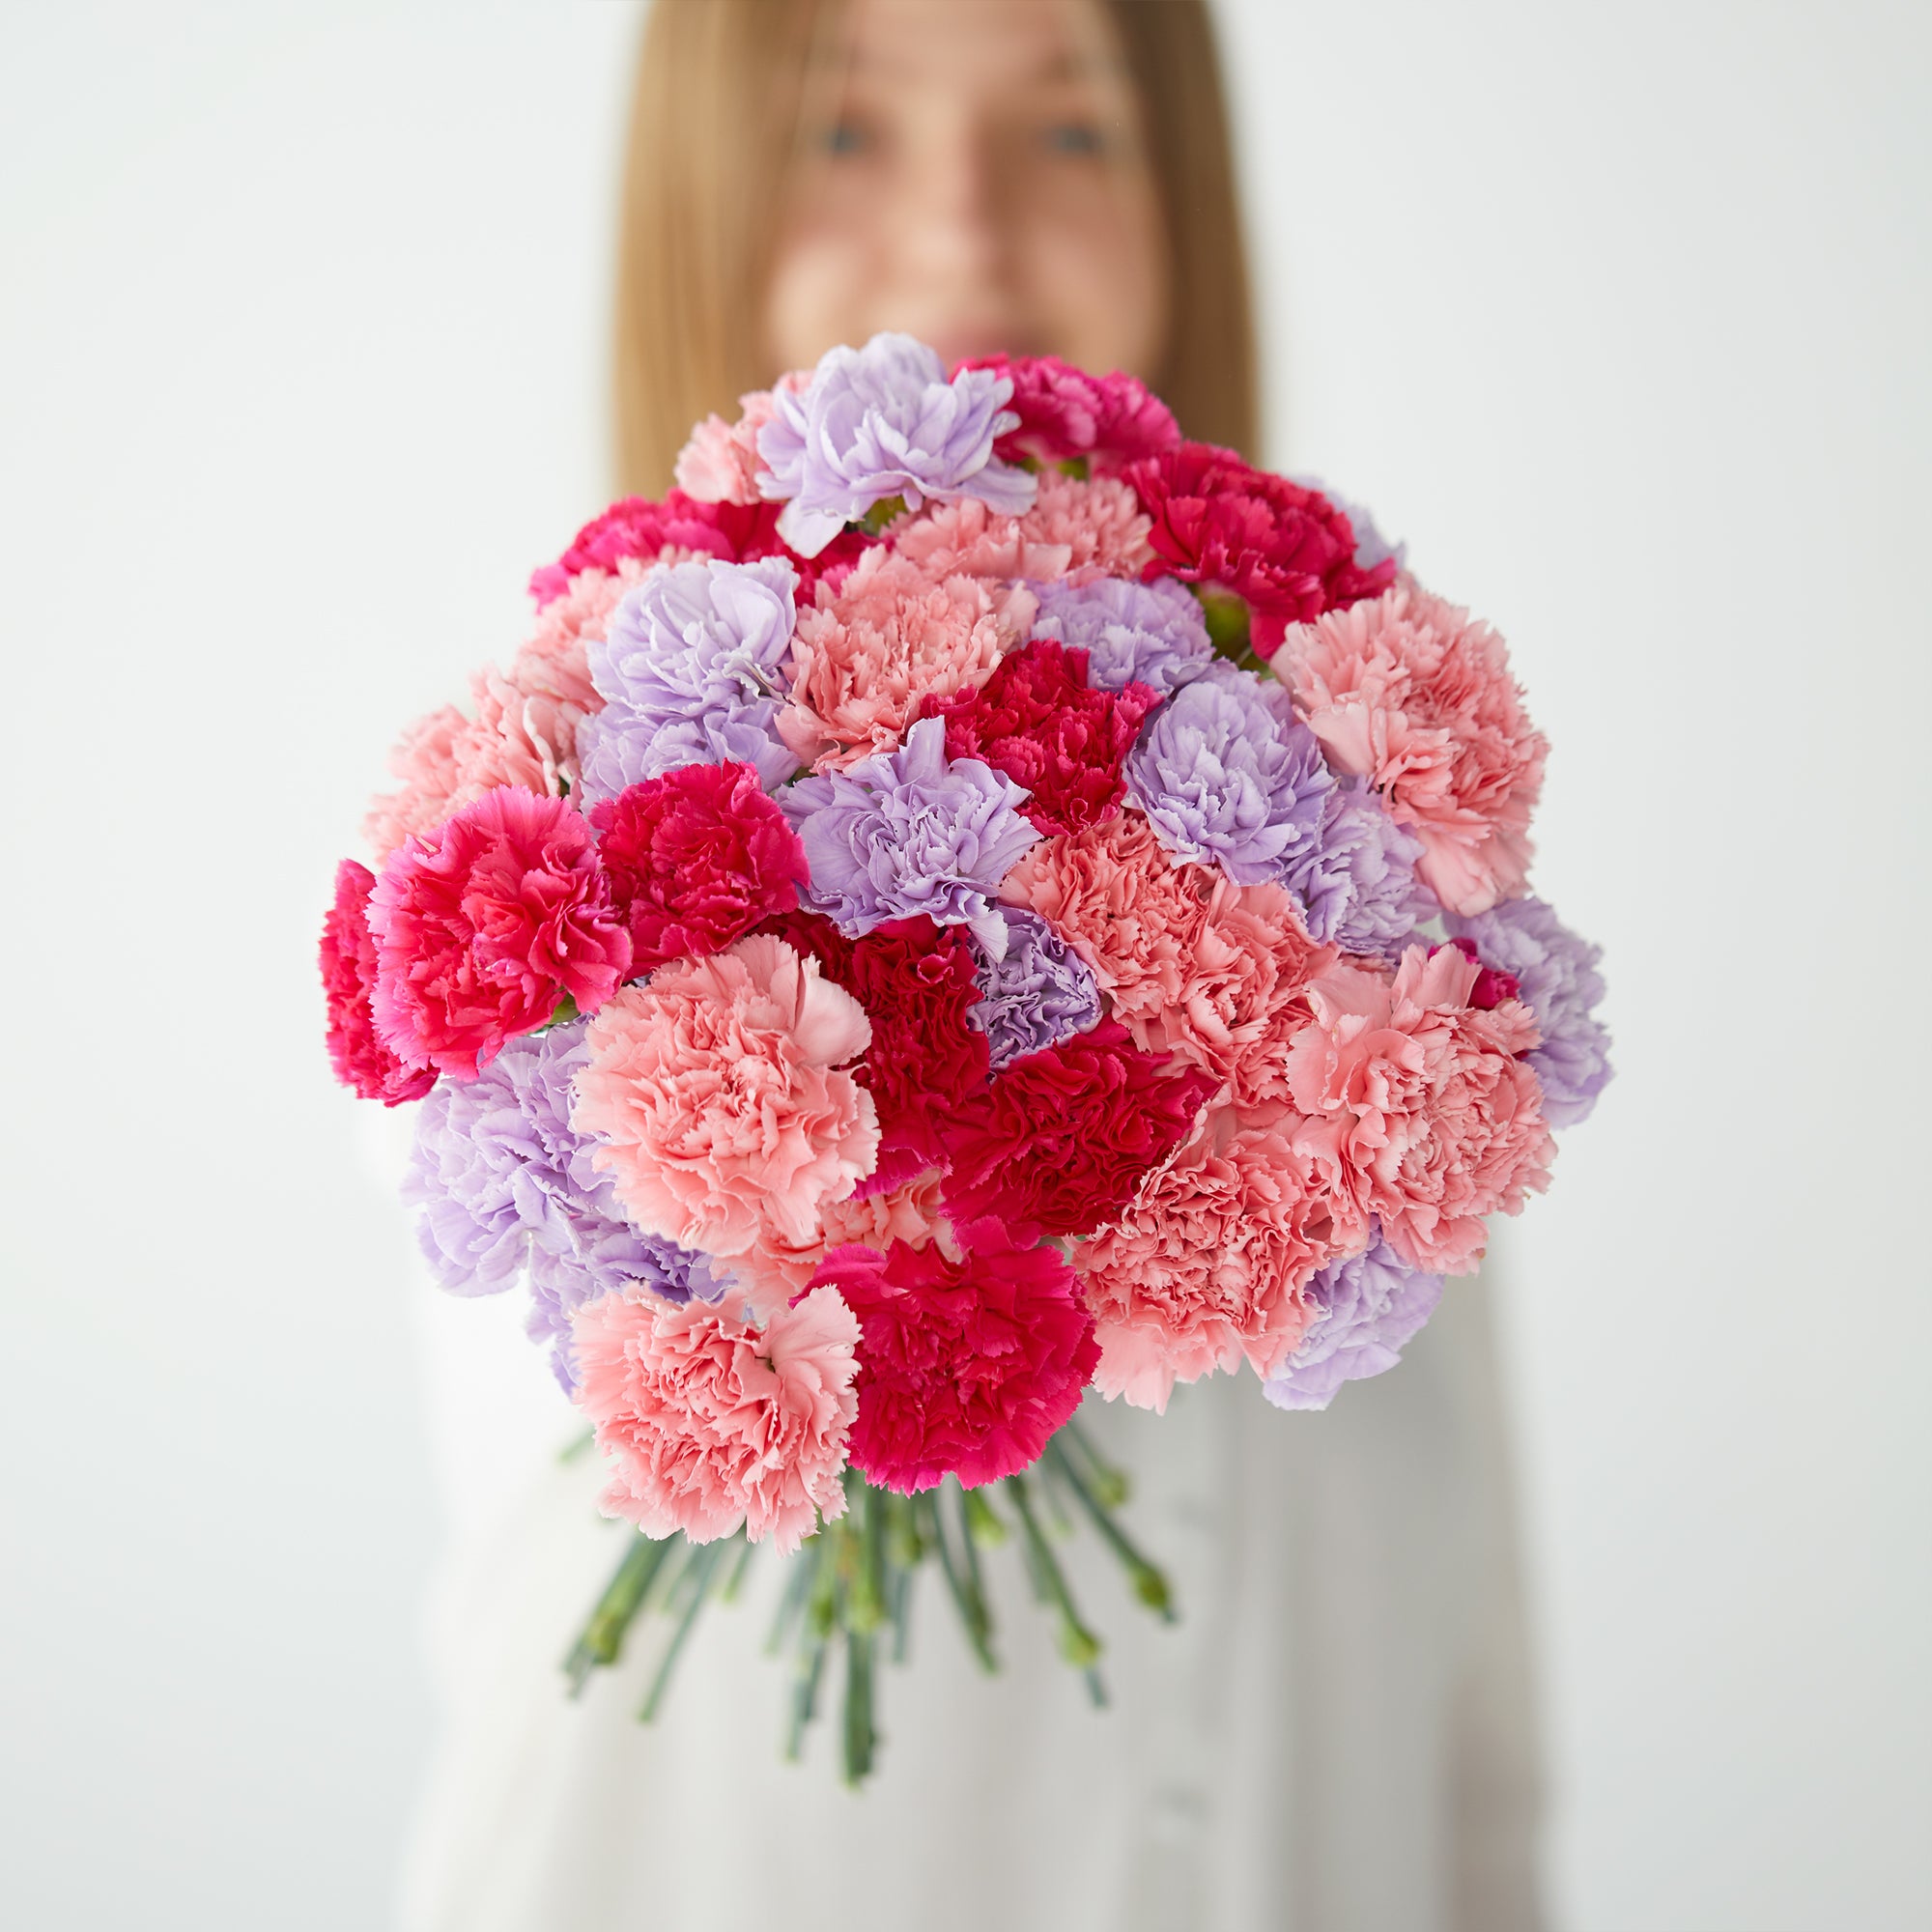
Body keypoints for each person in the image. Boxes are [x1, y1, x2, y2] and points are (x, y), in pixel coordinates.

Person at [399, 4, 1547, 1927]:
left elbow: (1470, 1700)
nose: (965, 235)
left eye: (1075, 133)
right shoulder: (550, 861)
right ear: (698, 203)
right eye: (844, 135)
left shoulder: (1375, 905)